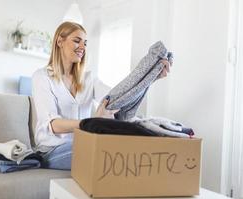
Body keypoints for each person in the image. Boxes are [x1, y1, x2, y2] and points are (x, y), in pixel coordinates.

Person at [32, 21, 171, 170]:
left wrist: (150, 77)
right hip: (51, 149)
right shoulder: (42, 77)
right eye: (76, 41)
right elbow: (53, 125)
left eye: (85, 43)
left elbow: (118, 98)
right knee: (104, 151)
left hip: (84, 141)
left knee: (125, 145)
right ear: (60, 41)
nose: (82, 47)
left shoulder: (88, 78)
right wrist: (92, 122)